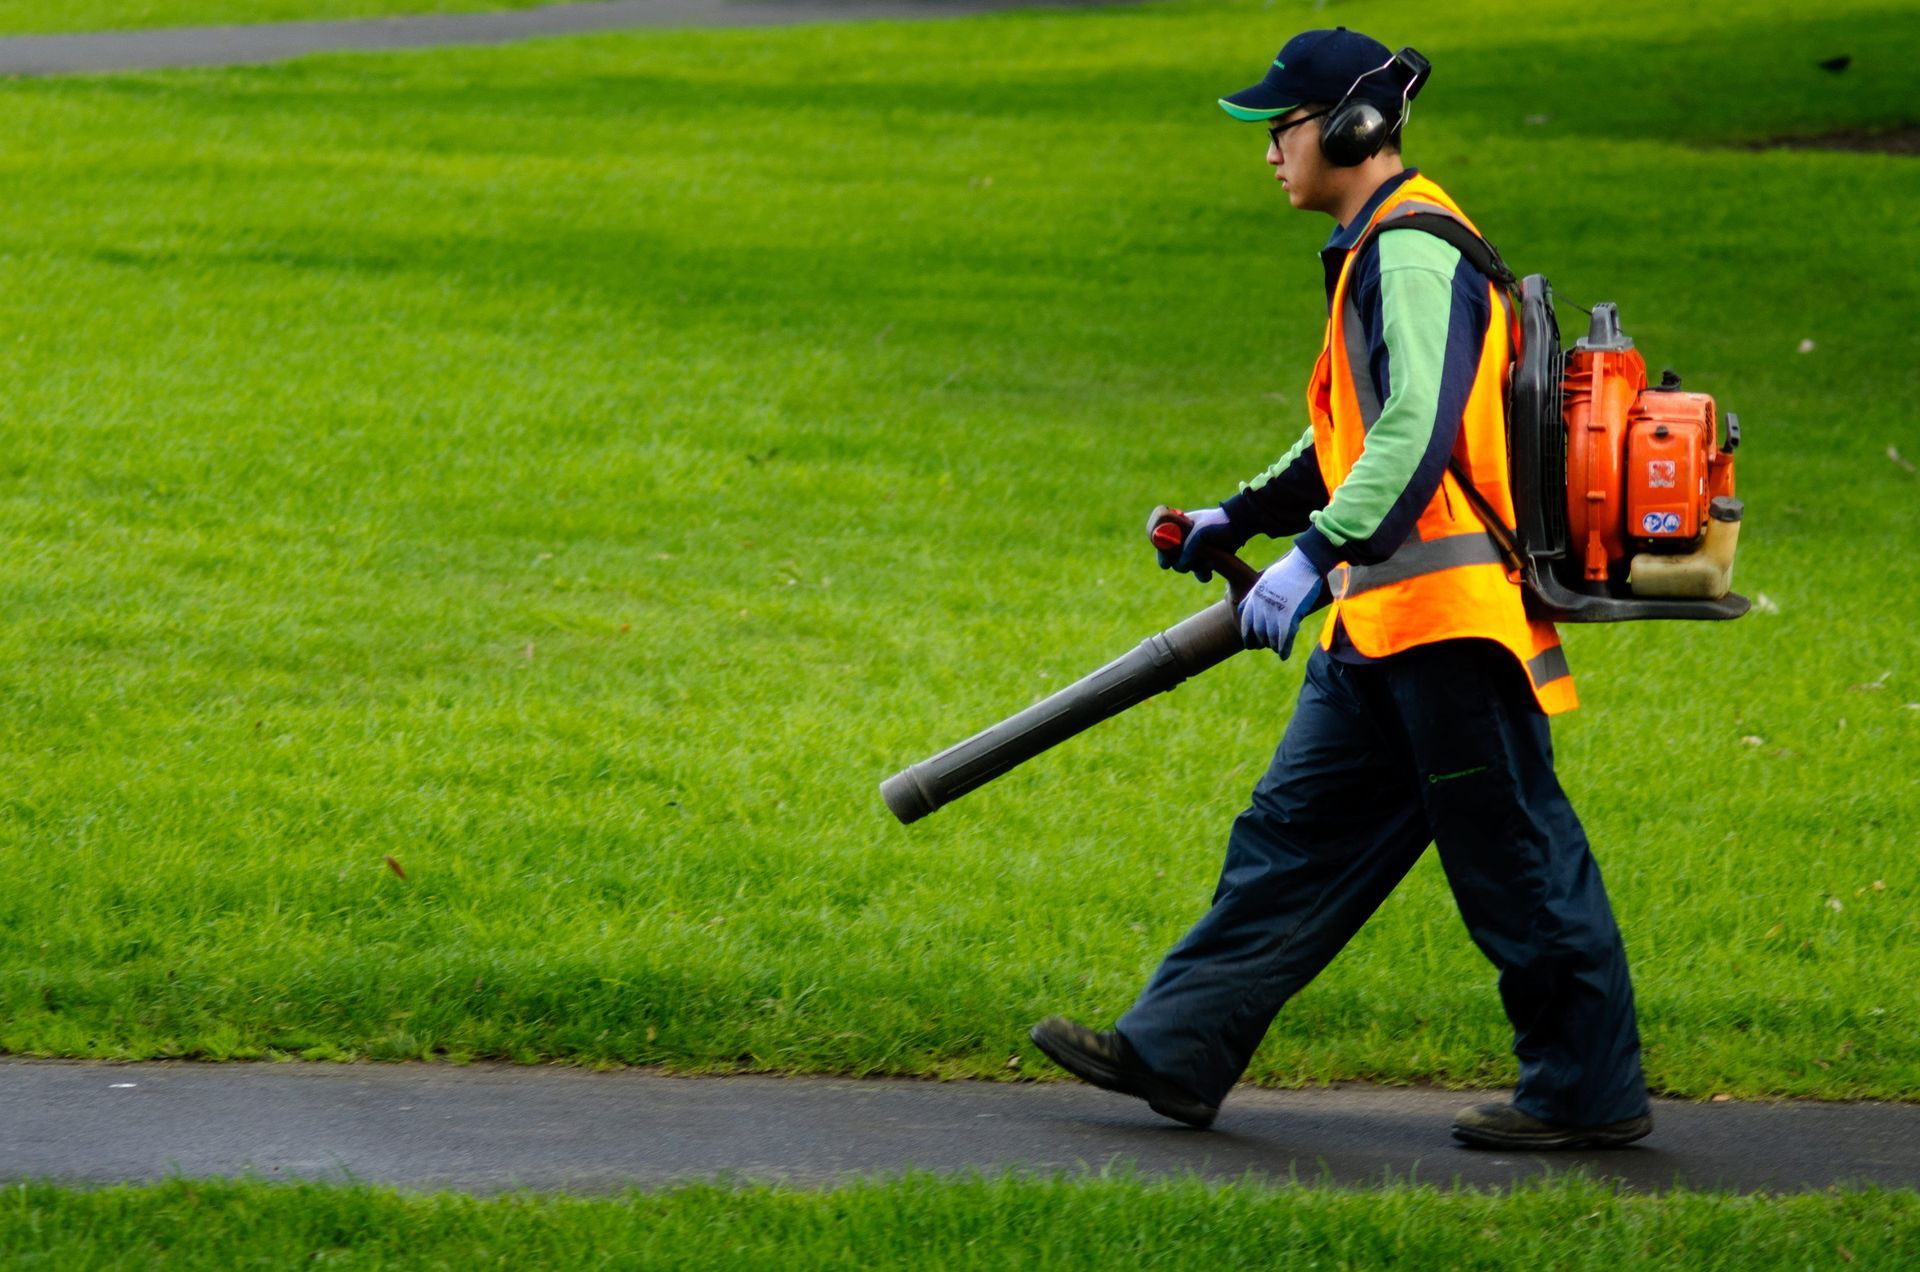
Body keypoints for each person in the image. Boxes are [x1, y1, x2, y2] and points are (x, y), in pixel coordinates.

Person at [1028, 27, 1653, 1150]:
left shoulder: (1415, 249)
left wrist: (1313, 554)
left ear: (1353, 128)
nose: (1271, 150)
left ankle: (1587, 1094)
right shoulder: (1374, 251)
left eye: (1285, 128)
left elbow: (1415, 428)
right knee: (1291, 837)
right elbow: (1353, 434)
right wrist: (1240, 516)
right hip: (1384, 624)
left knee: (1513, 858)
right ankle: (1176, 1048)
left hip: (1450, 631)